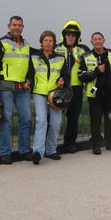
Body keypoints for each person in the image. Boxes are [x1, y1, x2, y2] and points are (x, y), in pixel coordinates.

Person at [0, 16, 33, 164]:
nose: (17, 27)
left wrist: (29, 80)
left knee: (26, 119)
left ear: (23, 27)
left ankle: (24, 150)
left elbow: (30, 66)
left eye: (20, 25)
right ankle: (5, 152)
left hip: (22, 90)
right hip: (5, 89)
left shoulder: (26, 44)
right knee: (5, 120)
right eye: (14, 25)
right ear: (9, 26)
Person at [78, 32, 111, 155]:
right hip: (94, 95)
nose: (97, 41)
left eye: (100, 39)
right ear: (91, 42)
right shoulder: (85, 56)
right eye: (95, 39)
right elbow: (81, 76)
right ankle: (96, 145)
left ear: (104, 41)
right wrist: (96, 71)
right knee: (95, 120)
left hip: (110, 93)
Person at [29, 30, 68, 165]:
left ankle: (51, 150)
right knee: (41, 120)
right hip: (39, 92)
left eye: (51, 40)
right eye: (46, 40)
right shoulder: (33, 57)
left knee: (56, 123)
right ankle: (38, 152)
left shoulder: (61, 58)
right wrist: (29, 82)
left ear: (54, 43)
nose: (48, 43)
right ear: (41, 42)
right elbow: (30, 74)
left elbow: (65, 75)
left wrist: (63, 81)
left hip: (55, 94)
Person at [54, 20, 90, 153]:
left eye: (73, 35)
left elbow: (96, 54)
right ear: (64, 35)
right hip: (59, 87)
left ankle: (70, 143)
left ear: (77, 36)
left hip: (77, 87)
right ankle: (50, 144)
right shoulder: (56, 48)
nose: (70, 37)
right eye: (68, 34)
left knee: (74, 117)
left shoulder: (83, 49)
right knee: (55, 116)